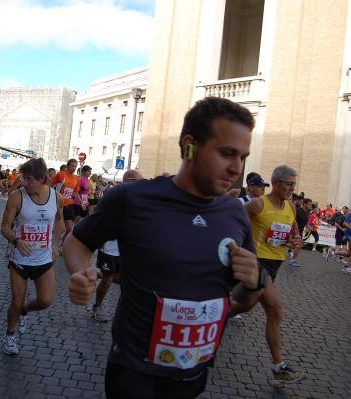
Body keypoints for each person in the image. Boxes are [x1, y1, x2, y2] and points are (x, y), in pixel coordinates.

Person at [64, 97, 266, 398]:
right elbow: (77, 240)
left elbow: (242, 302)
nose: (236, 168)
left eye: (242, 157)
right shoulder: (134, 199)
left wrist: (253, 283)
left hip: (193, 375)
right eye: (227, 153)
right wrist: (81, 272)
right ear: (189, 146)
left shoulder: (235, 213)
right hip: (136, 373)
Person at [244, 164, 305, 386]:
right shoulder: (257, 204)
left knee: (243, 306)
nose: (292, 188)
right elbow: (232, 224)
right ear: (276, 182)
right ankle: (279, 367)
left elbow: (294, 234)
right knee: (275, 308)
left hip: (275, 264)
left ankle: (211, 319)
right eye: (289, 183)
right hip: (257, 261)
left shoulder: (291, 208)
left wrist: (296, 241)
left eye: (293, 184)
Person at [0, 158, 63, 355]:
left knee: (46, 301)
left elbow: (60, 221)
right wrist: (16, 241)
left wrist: (55, 244)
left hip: (43, 258)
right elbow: (4, 228)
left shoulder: (56, 197)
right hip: (19, 258)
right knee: (15, 302)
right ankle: (10, 335)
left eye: (28, 179)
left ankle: (25, 310)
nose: (24, 182)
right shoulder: (17, 197)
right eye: (23, 178)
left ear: (43, 179)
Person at [91, 169, 142, 323]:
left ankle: (98, 274)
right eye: (138, 182)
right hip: (110, 248)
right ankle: (97, 307)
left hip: (128, 250)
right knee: (107, 280)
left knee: (126, 280)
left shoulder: (140, 199)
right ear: (130, 181)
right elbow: (95, 213)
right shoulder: (113, 197)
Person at [49, 159, 79, 242]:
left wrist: (80, 201)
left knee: (69, 229)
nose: (74, 168)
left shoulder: (76, 178)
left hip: (69, 205)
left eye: (75, 166)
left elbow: (75, 192)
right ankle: (56, 245)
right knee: (61, 229)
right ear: (68, 166)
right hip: (58, 204)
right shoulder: (60, 174)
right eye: (72, 166)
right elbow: (49, 185)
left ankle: (63, 245)